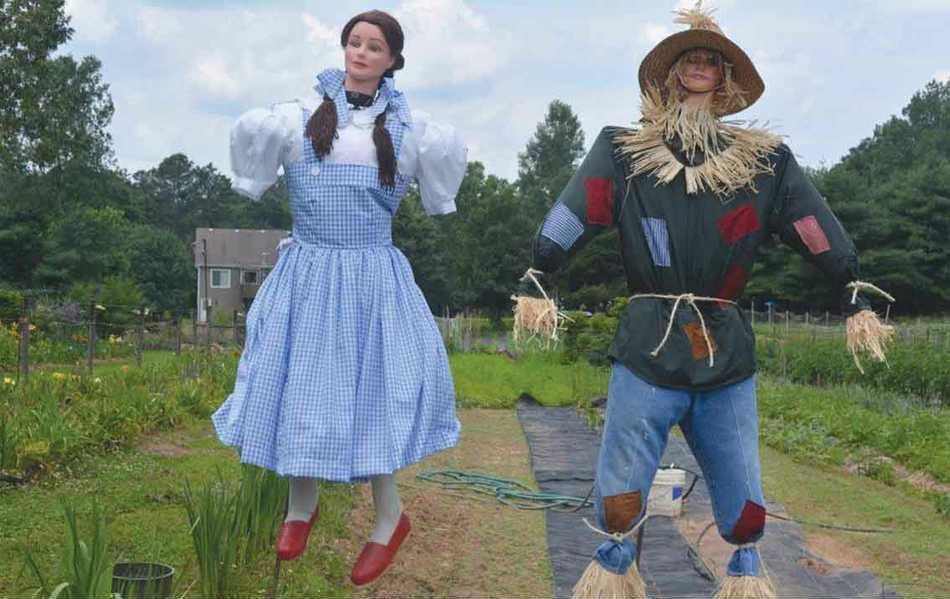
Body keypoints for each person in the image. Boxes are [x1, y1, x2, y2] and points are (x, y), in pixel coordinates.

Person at [528, 3, 893, 598]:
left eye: (711, 59)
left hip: (724, 351)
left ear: (725, 77)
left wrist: (848, 283)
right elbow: (578, 208)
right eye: (689, 57)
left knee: (745, 502)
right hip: (649, 341)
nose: (699, 65)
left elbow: (811, 222)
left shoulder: (762, 163)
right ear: (672, 72)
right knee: (620, 497)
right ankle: (614, 579)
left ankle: (745, 579)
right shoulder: (625, 152)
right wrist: (540, 269)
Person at [213, 9, 467, 586]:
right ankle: (300, 505)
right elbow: (256, 171)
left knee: (374, 390)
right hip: (308, 275)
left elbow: (437, 196)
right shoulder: (297, 117)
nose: (361, 52)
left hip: (372, 279)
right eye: (354, 42)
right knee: (299, 381)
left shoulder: (411, 130)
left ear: (392, 60)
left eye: (374, 46)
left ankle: (389, 518)